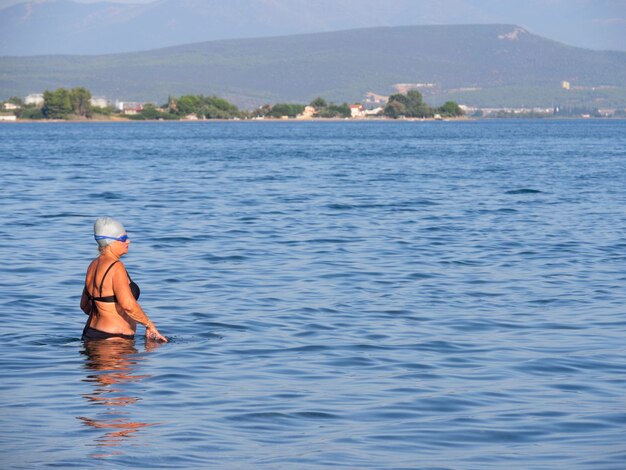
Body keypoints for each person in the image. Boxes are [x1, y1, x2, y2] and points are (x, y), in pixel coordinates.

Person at [81, 217, 167, 342]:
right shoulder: (116, 267)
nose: (128, 241)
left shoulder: (92, 265)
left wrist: (105, 313)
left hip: (91, 333)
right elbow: (128, 305)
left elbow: (84, 305)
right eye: (123, 238)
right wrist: (149, 325)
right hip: (114, 340)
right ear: (109, 242)